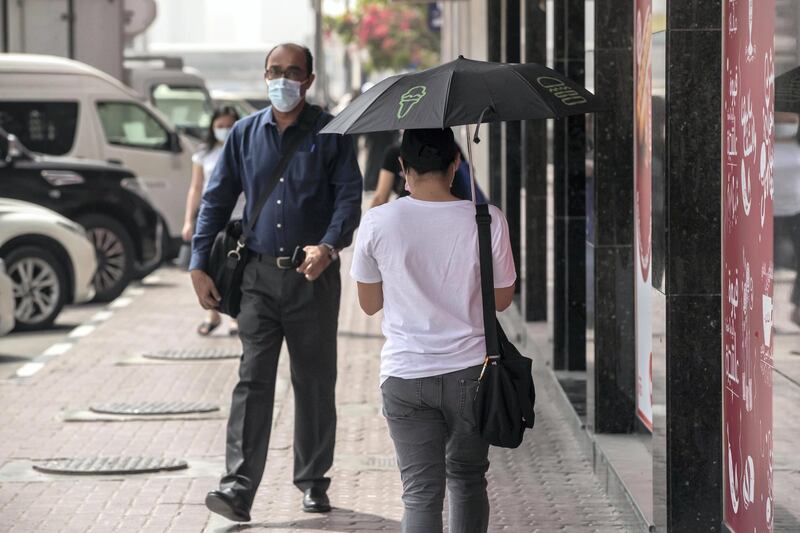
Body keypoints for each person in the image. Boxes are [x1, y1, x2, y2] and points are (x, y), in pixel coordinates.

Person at [189, 43, 362, 522]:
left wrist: (328, 247)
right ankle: (238, 488)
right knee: (253, 380)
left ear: (308, 79)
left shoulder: (332, 132)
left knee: (313, 382)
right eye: (274, 71)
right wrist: (198, 262)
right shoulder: (244, 134)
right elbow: (216, 201)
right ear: (264, 76)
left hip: (313, 279)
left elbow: (349, 199)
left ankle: (313, 481)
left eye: (291, 72)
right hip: (259, 279)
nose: (281, 80)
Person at [350, 128, 517, 532]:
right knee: (467, 479)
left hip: (406, 374)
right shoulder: (486, 218)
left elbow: (369, 304)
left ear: (402, 167)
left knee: (421, 493)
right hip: (472, 375)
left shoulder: (377, 222)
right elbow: (502, 299)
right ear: (455, 164)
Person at [182, 106, 243, 336]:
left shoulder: (244, 148)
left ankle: (234, 315)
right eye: (220, 127)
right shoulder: (203, 154)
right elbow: (196, 188)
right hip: (211, 218)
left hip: (238, 218)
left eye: (229, 126)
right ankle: (212, 313)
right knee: (206, 265)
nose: (225, 131)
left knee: (233, 266)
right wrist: (188, 220)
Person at [370, 142, 487, 208]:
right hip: (459, 210)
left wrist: (373, 222)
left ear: (402, 162)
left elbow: (380, 197)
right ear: (456, 162)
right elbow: (471, 184)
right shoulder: (451, 146)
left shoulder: (394, 153)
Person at [774, 112, 800, 326]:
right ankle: (764, 316)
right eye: (780, 121)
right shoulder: (761, 144)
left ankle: (797, 311)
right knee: (766, 267)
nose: (785, 125)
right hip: (768, 213)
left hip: (796, 211)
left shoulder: (797, 145)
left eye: (790, 121)